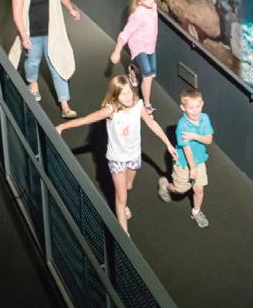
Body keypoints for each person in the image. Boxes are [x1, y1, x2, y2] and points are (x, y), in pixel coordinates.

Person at [56, 75, 176, 233]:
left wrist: (168, 144)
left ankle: (122, 199)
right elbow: (86, 119)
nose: (128, 96)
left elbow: (151, 123)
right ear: (115, 96)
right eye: (122, 94)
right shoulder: (111, 110)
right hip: (117, 159)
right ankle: (124, 235)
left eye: (129, 91)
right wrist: (62, 127)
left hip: (134, 155)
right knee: (121, 198)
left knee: (128, 186)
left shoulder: (138, 105)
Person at [9, 0, 81, 118]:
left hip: (52, 30)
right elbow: (17, 13)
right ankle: (32, 84)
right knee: (32, 61)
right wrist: (23, 36)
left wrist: (71, 9)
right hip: (32, 32)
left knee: (57, 65)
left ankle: (65, 105)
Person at [157, 89, 214, 228]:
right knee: (180, 190)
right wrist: (192, 168)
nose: (195, 111)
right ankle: (165, 185)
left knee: (199, 189)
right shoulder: (182, 125)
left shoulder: (204, 118)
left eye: (197, 106)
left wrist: (194, 136)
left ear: (202, 104)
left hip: (199, 160)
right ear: (183, 108)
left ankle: (196, 211)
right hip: (184, 163)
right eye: (191, 108)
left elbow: (208, 140)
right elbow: (187, 150)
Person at [110, 0, 159, 112]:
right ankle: (147, 104)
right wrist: (116, 52)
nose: (150, 0)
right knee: (148, 74)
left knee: (153, 73)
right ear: (139, 3)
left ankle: (134, 69)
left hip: (150, 45)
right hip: (139, 46)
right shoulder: (138, 15)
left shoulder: (152, 3)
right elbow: (125, 34)